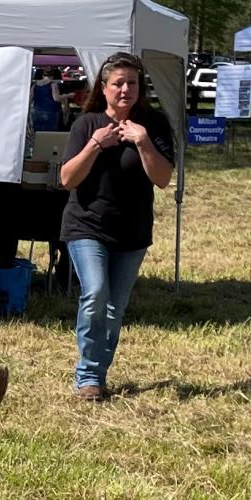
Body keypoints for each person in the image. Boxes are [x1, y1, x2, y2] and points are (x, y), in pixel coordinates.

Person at [57, 50, 174, 402]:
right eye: (118, 83)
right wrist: (96, 144)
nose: (125, 90)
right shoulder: (86, 125)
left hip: (132, 231)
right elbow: (67, 179)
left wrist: (142, 142)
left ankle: (97, 373)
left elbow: (163, 179)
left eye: (132, 83)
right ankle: (88, 376)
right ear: (104, 88)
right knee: (95, 293)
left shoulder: (153, 126)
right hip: (87, 226)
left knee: (114, 308)